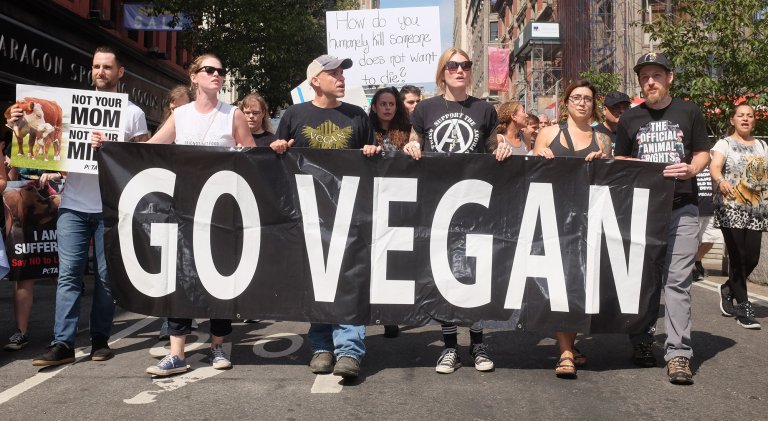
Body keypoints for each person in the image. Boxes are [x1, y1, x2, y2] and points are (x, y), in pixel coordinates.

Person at [109, 54, 253, 376]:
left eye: (220, 70)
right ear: (194, 76)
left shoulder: (234, 115)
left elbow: (253, 159)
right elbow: (149, 150)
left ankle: (218, 345)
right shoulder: (181, 115)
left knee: (220, 279)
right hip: (183, 211)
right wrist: (109, 147)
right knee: (179, 280)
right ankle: (177, 353)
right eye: (209, 70)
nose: (217, 75)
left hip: (221, 212)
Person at [12, 46, 149, 366]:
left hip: (110, 208)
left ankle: (100, 338)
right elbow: (42, 152)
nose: (100, 71)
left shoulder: (133, 113)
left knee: (104, 277)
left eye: (107, 67)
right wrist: (20, 125)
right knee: (68, 275)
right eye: (96, 66)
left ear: (120, 72)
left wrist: (111, 149)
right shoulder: (69, 108)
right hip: (73, 205)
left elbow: (143, 161)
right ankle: (63, 343)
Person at [403, 47, 515, 374]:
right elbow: (415, 141)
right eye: (453, 65)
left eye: (465, 65)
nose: (460, 70)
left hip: (476, 204)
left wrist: (503, 147)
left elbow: (494, 145)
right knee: (447, 276)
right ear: (443, 71)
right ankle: (450, 346)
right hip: (438, 205)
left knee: (476, 274)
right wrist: (411, 146)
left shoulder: (484, 109)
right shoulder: (425, 109)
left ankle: (478, 343)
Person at [271, 54, 380, 379]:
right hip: (309, 213)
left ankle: (349, 350)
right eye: (333, 73)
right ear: (315, 80)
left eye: (342, 72)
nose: (341, 77)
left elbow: (374, 161)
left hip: (349, 213)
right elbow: (278, 160)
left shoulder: (357, 115)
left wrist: (372, 154)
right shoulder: (294, 114)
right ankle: (321, 346)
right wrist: (277, 148)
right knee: (317, 279)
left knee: (349, 279)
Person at [614, 52, 710, 385]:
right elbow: (621, 158)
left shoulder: (690, 111)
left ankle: (679, 353)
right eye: (644, 77)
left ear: (669, 77)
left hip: (682, 207)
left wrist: (692, 168)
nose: (650, 81)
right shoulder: (630, 119)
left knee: (677, 281)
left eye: (656, 75)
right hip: (641, 212)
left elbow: (702, 153)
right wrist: (633, 167)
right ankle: (641, 342)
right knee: (643, 282)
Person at [533, 79, 612, 379]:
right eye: (576, 97)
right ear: (566, 103)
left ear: (593, 105)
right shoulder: (549, 133)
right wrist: (538, 158)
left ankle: (570, 344)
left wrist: (604, 162)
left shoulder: (601, 138)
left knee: (580, 287)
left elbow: (612, 179)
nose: (582, 103)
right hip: (552, 219)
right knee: (560, 285)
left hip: (588, 222)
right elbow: (529, 174)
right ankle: (565, 351)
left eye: (588, 99)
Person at [710, 103, 766, 329]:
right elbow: (715, 166)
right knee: (738, 255)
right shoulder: (724, 143)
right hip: (730, 207)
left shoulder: (762, 145)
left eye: (749, 116)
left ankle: (727, 288)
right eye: (740, 115)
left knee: (751, 257)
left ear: (754, 120)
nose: (745, 119)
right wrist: (721, 180)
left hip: (756, 209)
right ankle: (744, 307)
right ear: (732, 120)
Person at [156, 85, 193, 341]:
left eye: (179, 105)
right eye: (171, 106)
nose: (175, 109)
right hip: (175, 209)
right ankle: (174, 335)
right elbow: (144, 149)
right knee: (178, 269)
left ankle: (217, 341)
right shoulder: (172, 125)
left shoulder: (228, 116)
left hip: (210, 212)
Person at [692, 167, 723, 281]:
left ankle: (696, 261)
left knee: (712, 239)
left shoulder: (712, 162)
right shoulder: (693, 161)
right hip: (695, 208)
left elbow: (715, 185)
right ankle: (691, 268)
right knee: (691, 241)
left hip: (710, 208)